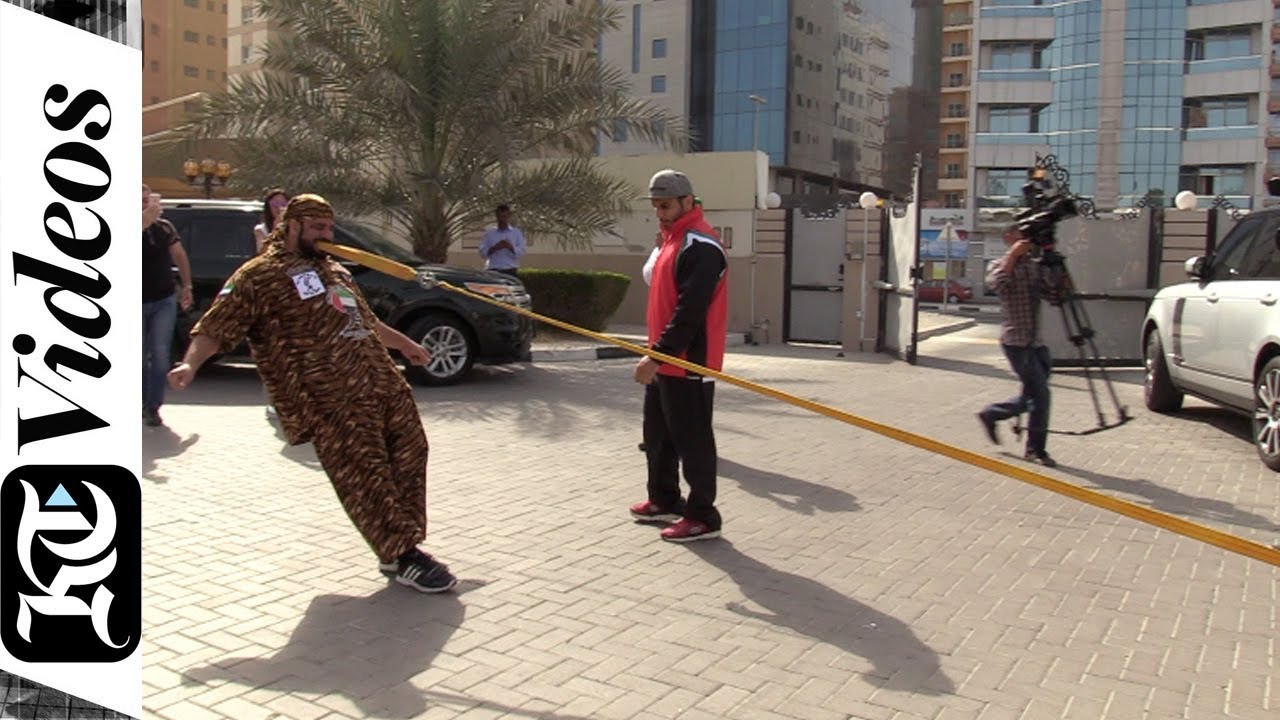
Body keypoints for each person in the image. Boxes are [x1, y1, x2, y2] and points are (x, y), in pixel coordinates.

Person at [166, 194, 458, 593]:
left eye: (329, 227)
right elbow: (217, 326)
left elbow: (365, 321)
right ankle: (404, 554)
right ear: (292, 226)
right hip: (329, 396)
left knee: (411, 452)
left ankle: (398, 545)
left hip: (382, 382)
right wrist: (190, 364)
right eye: (317, 227)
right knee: (365, 472)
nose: (326, 235)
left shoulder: (335, 271)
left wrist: (405, 345)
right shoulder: (259, 276)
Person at [630, 170, 728, 542]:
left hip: (689, 362)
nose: (660, 213)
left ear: (688, 201)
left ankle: (703, 516)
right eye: (656, 206)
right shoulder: (672, 242)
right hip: (663, 360)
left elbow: (690, 311)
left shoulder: (701, 246)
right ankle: (665, 499)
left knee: (693, 441)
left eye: (666, 205)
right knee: (658, 436)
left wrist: (657, 355)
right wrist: (656, 356)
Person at [977, 225, 1070, 467]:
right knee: (1042, 396)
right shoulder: (998, 264)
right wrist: (1013, 255)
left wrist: (1054, 264)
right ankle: (1035, 450)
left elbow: (1055, 296)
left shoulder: (1034, 266)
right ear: (1009, 238)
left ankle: (992, 413)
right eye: (1020, 236)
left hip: (1037, 343)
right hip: (1016, 343)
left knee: (1033, 396)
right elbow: (998, 285)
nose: (1026, 240)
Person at [142, 184, 193, 427]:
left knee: (161, 354)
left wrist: (187, 286)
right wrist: (143, 221)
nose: (145, 204)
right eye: (139, 200)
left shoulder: (164, 227)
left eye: (147, 199)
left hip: (163, 298)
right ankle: (142, 401)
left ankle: (153, 407)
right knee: (138, 357)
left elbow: (179, 255)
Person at [478, 204, 526, 277]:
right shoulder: (489, 233)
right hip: (493, 270)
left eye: (504, 217)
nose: (501, 220)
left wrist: (510, 247)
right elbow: (482, 253)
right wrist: (495, 248)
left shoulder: (516, 233)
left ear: (509, 216)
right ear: (496, 217)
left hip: (510, 270)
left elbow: (522, 251)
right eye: (499, 217)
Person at [254, 188, 289, 254]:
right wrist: (275, 230)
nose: (279, 208)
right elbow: (261, 253)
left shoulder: (294, 227)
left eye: (283, 204)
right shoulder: (261, 230)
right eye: (275, 204)